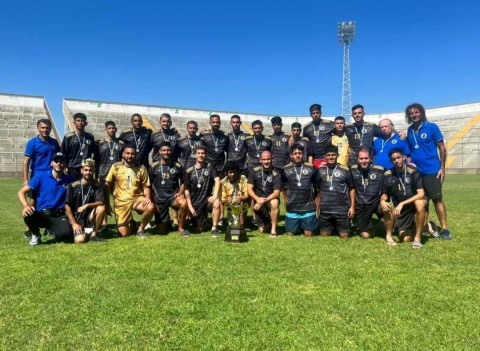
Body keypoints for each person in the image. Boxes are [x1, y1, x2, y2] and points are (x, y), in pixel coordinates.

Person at [405, 103, 452, 240]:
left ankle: (444, 228)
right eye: (411, 113)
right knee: (422, 201)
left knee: (437, 199)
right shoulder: (409, 130)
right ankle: (424, 226)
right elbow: (410, 150)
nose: (414, 115)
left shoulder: (431, 127)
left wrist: (442, 167)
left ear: (421, 113)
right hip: (417, 172)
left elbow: (442, 147)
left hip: (432, 170)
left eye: (416, 112)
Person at [17, 152, 74, 246]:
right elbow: (21, 192)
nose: (59, 164)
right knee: (28, 213)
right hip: (42, 214)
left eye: (61, 161)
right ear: (51, 163)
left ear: (65, 164)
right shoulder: (40, 176)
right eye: (56, 161)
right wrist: (26, 206)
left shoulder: (69, 180)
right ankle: (36, 234)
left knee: (66, 236)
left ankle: (54, 230)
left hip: (58, 215)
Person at [104, 145, 155, 238]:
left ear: (136, 155)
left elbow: (146, 186)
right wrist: (107, 203)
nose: (130, 156)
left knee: (150, 207)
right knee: (124, 233)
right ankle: (132, 224)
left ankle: (141, 229)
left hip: (137, 199)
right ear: (123, 154)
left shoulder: (142, 168)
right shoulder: (116, 166)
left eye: (132, 154)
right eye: (127, 153)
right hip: (121, 201)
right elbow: (107, 184)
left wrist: (147, 198)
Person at [380, 148, 427, 249]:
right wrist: (382, 201)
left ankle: (417, 239)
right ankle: (424, 226)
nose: (396, 161)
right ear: (390, 161)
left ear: (403, 158)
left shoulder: (412, 171)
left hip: (413, 204)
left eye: (398, 158)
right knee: (405, 239)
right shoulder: (388, 175)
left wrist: (402, 203)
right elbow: (384, 194)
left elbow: (421, 193)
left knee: (419, 203)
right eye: (393, 159)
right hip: (403, 211)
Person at [149, 142, 189, 236]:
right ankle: (166, 223)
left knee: (183, 202)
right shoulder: (153, 166)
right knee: (162, 231)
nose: (166, 152)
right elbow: (148, 184)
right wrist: (152, 199)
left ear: (171, 151)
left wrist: (180, 192)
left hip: (173, 197)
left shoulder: (177, 165)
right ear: (159, 152)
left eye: (168, 150)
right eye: (163, 150)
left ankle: (181, 228)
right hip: (159, 199)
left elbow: (184, 182)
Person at [317, 145, 355, 239]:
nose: (331, 157)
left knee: (344, 236)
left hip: (341, 210)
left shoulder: (345, 170)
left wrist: (352, 207)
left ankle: (341, 225)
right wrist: (317, 207)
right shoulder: (320, 170)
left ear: (337, 155)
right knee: (324, 235)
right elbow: (317, 190)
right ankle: (332, 226)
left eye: (333, 155)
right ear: (325, 156)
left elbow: (352, 188)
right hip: (326, 209)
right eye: (328, 155)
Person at [65, 159, 106, 243]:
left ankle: (94, 233)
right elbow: (67, 205)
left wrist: (87, 205)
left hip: (89, 219)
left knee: (101, 208)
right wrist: (74, 223)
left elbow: (101, 202)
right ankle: (86, 233)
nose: (88, 172)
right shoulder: (73, 186)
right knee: (80, 240)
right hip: (77, 219)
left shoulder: (97, 186)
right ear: (81, 171)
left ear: (94, 171)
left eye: (90, 170)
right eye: (86, 170)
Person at [184, 146, 221, 237]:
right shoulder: (189, 170)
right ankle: (207, 222)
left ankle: (214, 227)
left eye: (203, 153)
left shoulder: (209, 166)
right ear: (195, 155)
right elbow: (186, 190)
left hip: (206, 199)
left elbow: (217, 179)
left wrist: (215, 195)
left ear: (206, 155)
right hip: (195, 202)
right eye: (199, 153)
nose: (201, 155)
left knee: (217, 202)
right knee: (198, 229)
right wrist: (190, 207)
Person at [283, 144, 319, 237]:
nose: (297, 155)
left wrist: (317, 209)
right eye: (295, 153)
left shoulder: (311, 168)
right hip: (292, 209)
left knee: (309, 234)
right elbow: (284, 191)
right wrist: (286, 205)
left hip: (308, 209)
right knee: (290, 234)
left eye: (300, 153)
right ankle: (295, 224)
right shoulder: (286, 169)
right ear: (291, 155)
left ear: (303, 155)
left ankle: (306, 223)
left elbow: (317, 191)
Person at [94, 121, 124, 230]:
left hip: (117, 176)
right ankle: (104, 224)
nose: (111, 130)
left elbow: (123, 160)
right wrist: (96, 175)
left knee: (118, 200)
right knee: (104, 200)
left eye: (113, 128)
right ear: (105, 130)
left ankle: (119, 222)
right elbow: (96, 161)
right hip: (103, 175)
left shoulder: (121, 144)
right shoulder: (99, 144)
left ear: (116, 130)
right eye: (109, 128)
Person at [350, 147, 386, 239]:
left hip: (375, 203)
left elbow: (395, 171)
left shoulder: (380, 170)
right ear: (357, 159)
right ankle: (376, 227)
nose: (364, 161)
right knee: (365, 235)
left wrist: (408, 164)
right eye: (361, 159)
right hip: (361, 205)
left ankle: (388, 229)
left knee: (387, 208)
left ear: (371, 158)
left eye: (366, 158)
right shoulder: (352, 170)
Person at [247, 150, 281, 237]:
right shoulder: (254, 171)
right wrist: (257, 199)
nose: (266, 162)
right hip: (258, 201)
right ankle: (270, 221)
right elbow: (249, 188)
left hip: (269, 199)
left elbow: (276, 193)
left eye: (268, 159)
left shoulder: (276, 173)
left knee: (275, 202)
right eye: (264, 159)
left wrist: (264, 200)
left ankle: (273, 230)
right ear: (260, 160)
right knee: (263, 230)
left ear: (272, 159)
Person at [23, 118, 60, 184]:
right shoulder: (32, 143)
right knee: (37, 194)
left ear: (50, 129)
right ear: (38, 128)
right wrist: (26, 179)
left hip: (52, 175)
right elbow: (26, 161)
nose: (45, 130)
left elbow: (59, 159)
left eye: (47, 128)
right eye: (42, 128)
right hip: (37, 175)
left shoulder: (54, 142)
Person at [61, 113, 96, 179]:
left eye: (82, 121)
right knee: (71, 187)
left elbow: (93, 153)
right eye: (78, 120)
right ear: (74, 122)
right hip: (71, 168)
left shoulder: (90, 137)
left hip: (85, 168)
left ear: (86, 123)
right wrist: (64, 166)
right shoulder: (68, 137)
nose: (80, 123)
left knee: (83, 187)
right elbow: (63, 152)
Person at [302, 104, 335, 168]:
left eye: (317, 113)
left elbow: (342, 128)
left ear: (321, 113)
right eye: (313, 113)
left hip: (327, 158)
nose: (315, 115)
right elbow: (304, 140)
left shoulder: (329, 123)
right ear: (310, 114)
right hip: (313, 159)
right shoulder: (307, 127)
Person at [220, 162, 249, 227]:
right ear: (226, 173)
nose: (232, 174)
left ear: (238, 172)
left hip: (242, 201)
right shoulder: (223, 182)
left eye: (234, 172)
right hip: (230, 204)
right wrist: (227, 200)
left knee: (242, 202)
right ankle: (221, 219)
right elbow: (222, 200)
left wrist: (241, 198)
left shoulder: (243, 179)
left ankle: (242, 224)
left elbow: (247, 194)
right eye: (230, 172)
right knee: (232, 224)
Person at [200, 114, 228, 178]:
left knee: (220, 186)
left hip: (220, 167)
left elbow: (228, 150)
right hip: (208, 166)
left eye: (217, 122)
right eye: (213, 122)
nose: (215, 124)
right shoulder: (204, 135)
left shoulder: (225, 136)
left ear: (220, 123)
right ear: (210, 123)